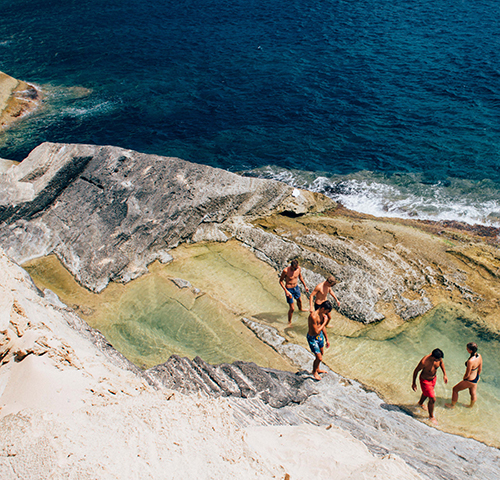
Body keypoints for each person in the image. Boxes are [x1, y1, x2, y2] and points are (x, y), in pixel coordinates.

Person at [412, 348, 448, 424]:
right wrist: (414, 383)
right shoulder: (424, 362)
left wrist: (445, 374)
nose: (439, 360)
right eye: (438, 359)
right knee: (432, 399)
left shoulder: (438, 358)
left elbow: (441, 363)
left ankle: (420, 403)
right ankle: (431, 417)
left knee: (426, 393)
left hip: (433, 379)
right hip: (425, 381)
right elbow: (416, 371)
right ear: (433, 357)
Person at [445, 342, 482, 409]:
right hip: (476, 378)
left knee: (455, 389)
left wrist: (464, 379)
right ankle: (471, 406)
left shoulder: (470, 361)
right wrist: (478, 376)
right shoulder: (479, 356)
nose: (466, 349)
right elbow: (480, 368)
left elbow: (467, 374)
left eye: (467, 348)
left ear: (470, 350)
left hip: (469, 380)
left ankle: (452, 405)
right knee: (473, 393)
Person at [307, 301, 333, 380]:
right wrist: (325, 322)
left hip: (320, 336)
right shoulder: (313, 316)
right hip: (313, 338)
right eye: (327, 311)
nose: (327, 313)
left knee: (321, 353)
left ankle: (317, 368)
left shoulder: (322, 314)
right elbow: (316, 331)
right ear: (322, 308)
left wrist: (327, 339)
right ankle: (314, 371)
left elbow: (322, 328)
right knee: (319, 358)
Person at [279, 259, 309, 324]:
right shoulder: (286, 271)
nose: (296, 269)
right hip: (289, 290)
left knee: (299, 300)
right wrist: (286, 291)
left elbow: (300, 277)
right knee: (292, 308)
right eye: (295, 268)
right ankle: (289, 322)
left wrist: (305, 286)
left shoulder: (298, 269)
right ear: (291, 266)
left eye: (297, 267)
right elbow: (280, 281)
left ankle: (300, 309)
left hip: (296, 288)